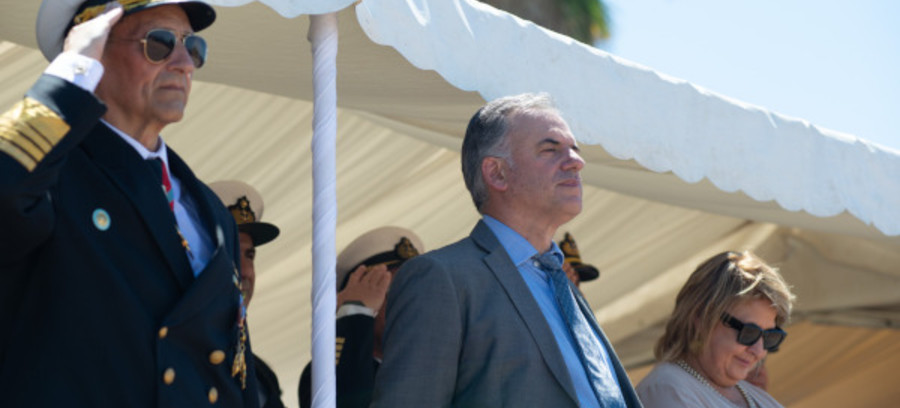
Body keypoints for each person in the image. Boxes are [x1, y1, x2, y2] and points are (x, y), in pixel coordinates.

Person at [0, 0, 259, 407]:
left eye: (192, 46)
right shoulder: (50, 177)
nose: (184, 64)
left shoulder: (208, 210)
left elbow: (230, 370)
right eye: (159, 44)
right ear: (94, 53)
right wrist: (68, 76)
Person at [371, 93, 642, 408]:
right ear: (497, 173)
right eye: (550, 149)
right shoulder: (441, 278)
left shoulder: (561, 284)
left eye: (574, 150)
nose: (576, 161)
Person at [636, 251, 794, 408]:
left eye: (769, 336)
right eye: (749, 332)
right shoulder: (667, 389)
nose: (759, 351)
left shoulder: (752, 395)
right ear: (702, 318)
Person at [298, 226, 423, 408]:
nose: (410, 304)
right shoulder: (322, 373)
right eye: (393, 292)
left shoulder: (432, 368)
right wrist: (355, 316)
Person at [210, 180, 286, 408]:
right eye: (232, 250)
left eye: (250, 255)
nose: (246, 271)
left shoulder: (261, 376)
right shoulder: (166, 351)